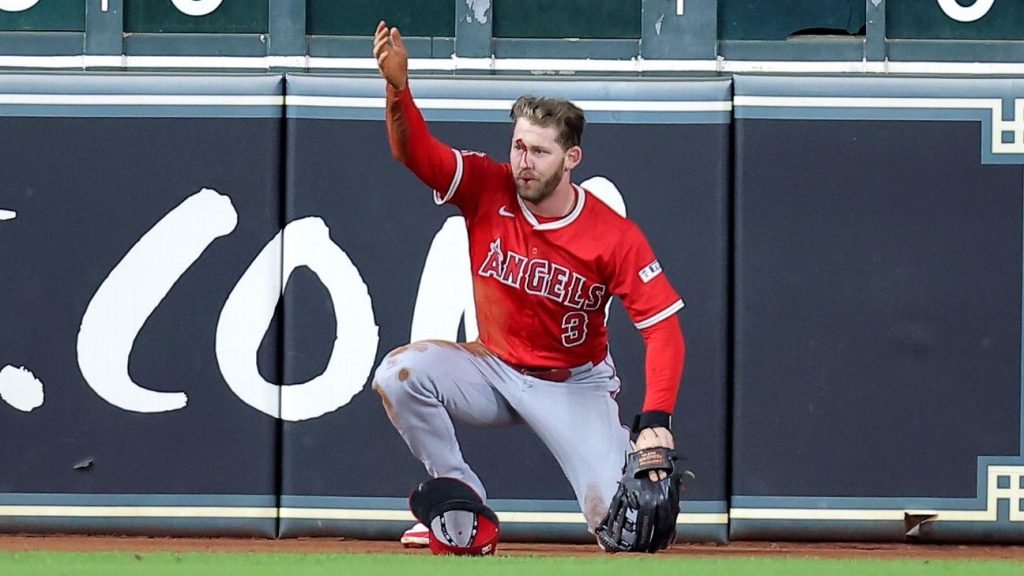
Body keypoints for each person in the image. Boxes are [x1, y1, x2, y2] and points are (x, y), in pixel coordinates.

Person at [370, 20, 687, 549]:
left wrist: (656, 418)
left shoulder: (612, 236)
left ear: (571, 159)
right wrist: (398, 89)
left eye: (539, 152)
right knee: (399, 375)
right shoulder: (486, 185)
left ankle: (614, 474)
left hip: (573, 384)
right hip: (493, 367)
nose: (523, 162)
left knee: (627, 531)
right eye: (518, 146)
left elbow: (663, 329)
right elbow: (415, 153)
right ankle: (460, 507)